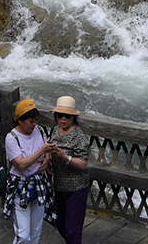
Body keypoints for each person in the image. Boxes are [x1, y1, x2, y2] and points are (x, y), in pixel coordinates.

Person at [2, 97, 55, 244]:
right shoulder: (12, 138)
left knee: (36, 230)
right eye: (30, 121)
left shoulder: (40, 130)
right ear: (20, 120)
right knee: (23, 234)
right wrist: (42, 151)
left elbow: (48, 145)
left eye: (36, 120)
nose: (34, 124)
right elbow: (21, 164)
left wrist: (48, 157)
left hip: (39, 183)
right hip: (20, 186)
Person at [46, 96, 90, 244]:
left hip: (76, 188)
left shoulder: (79, 136)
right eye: (60, 115)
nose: (63, 119)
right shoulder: (55, 131)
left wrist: (66, 158)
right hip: (59, 186)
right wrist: (48, 159)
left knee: (73, 230)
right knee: (58, 221)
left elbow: (83, 163)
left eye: (68, 116)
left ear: (74, 117)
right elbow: (48, 146)